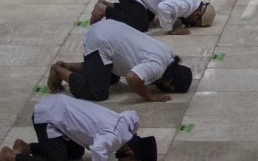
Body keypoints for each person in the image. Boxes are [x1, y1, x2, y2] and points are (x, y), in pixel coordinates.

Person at [2, 94, 156, 161]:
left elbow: (133, 114)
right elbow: (98, 149)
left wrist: (134, 134)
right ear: (129, 152)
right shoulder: (114, 139)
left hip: (58, 105)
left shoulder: (127, 125)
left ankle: (27, 147)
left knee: (76, 152)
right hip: (48, 116)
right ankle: (14, 158)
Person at [47, 18, 192, 103]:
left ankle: (67, 66)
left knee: (110, 79)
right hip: (100, 41)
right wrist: (149, 96)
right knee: (97, 93)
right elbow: (132, 78)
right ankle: (59, 71)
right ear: (169, 81)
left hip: (109, 29)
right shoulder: (158, 68)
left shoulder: (168, 54)